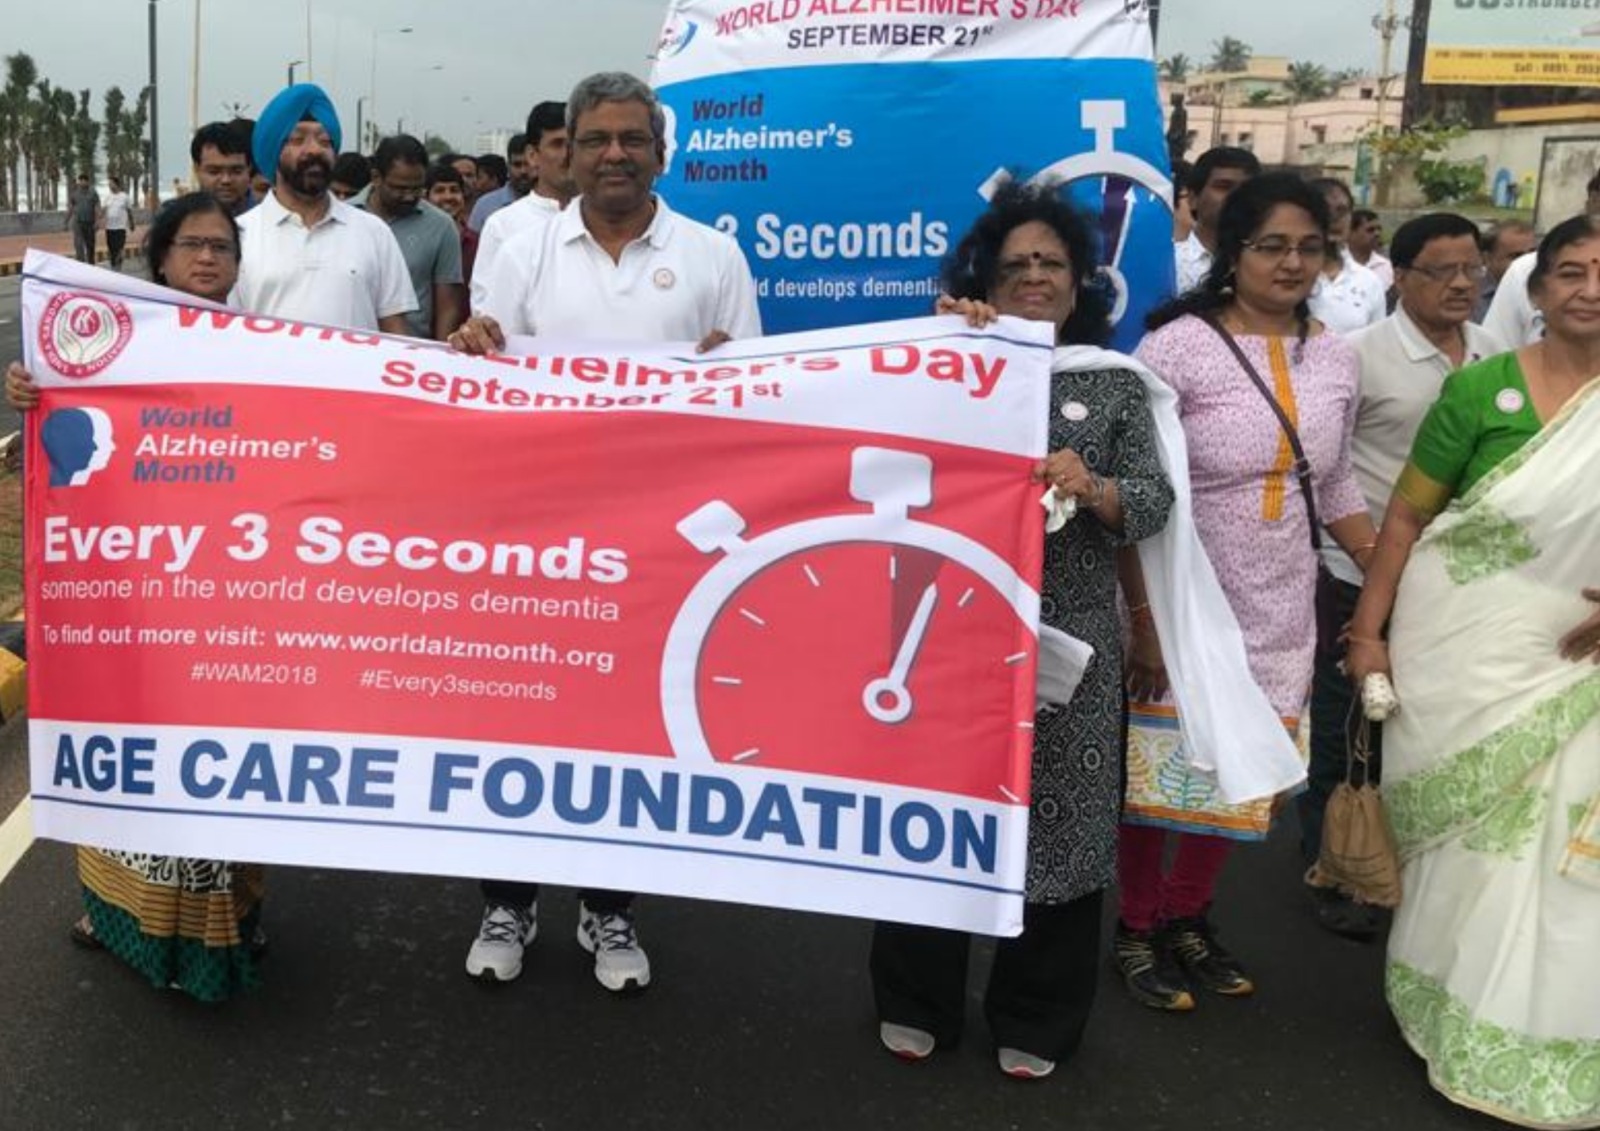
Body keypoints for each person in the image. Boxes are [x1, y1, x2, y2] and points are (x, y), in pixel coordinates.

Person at [448, 71, 761, 994]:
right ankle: (508, 897)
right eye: (597, 140)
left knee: (630, 731)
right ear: (569, 152)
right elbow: (491, 376)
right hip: (545, 538)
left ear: (662, 152)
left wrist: (724, 375)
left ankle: (611, 907)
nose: (615, 154)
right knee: (524, 720)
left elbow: (757, 404)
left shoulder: (713, 258)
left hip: (663, 547)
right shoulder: (523, 248)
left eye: (633, 138)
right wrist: (474, 347)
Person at [869, 186, 1174, 1080]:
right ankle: (914, 996)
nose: (1034, 277)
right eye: (1014, 266)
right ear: (984, 280)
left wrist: (1095, 485)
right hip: (941, 632)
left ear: (1081, 281)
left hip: (1068, 643)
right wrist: (945, 350)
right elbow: (883, 463)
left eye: (1051, 263)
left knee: (1065, 829)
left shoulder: (1115, 385)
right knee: (930, 813)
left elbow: (1151, 506)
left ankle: (1036, 1015)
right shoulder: (945, 362)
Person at [1346, 215, 1600, 1129]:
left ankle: (1548, 1024)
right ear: (1534, 291)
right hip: (1469, 644)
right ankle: (1447, 992)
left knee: (1567, 852)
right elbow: (1406, 522)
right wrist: (1368, 635)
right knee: (1473, 844)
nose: (1588, 287)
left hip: (1586, 663)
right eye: (1568, 271)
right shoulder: (1481, 390)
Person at [1116, 173, 1376, 1009]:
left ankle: (1190, 916)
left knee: (1242, 775)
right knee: (1162, 777)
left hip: (1281, 602)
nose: (1292, 262)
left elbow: (1332, 486)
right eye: (1272, 245)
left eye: (1309, 246)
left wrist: (1396, 571)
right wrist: (1147, 623)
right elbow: (1138, 485)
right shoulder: (1177, 347)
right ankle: (1136, 924)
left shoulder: (1336, 357)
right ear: (1233, 254)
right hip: (1184, 596)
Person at [7, 192, 265, 1002]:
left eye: (224, 245)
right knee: (129, 767)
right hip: (133, 599)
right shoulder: (113, 347)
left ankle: (215, 940)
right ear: (159, 258)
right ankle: (117, 916)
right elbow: (73, 443)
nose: (209, 258)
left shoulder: (274, 352)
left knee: (218, 780)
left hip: (233, 601)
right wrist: (32, 389)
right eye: (193, 243)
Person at [1299, 212, 1505, 940]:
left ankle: (1407, 864)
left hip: (1459, 579)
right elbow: (1323, 467)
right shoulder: (1356, 357)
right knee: (1349, 724)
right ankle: (1329, 866)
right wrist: (1366, 554)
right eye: (1440, 270)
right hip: (1360, 569)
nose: (1459, 283)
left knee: (1423, 723)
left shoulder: (1494, 352)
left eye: (1471, 270)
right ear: (1401, 275)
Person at [232, 83, 415, 334]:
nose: (314, 150)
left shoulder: (373, 231)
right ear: (273, 150)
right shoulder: (239, 235)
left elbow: (395, 329)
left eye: (324, 140)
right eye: (297, 140)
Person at [352, 134, 464, 340]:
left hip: (410, 356)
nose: (410, 196)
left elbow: (448, 308)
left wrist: (439, 358)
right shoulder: (345, 218)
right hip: (350, 349)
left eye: (417, 188)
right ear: (376, 177)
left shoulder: (441, 226)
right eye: (400, 188)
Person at [471, 102, 573, 312]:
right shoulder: (502, 225)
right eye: (557, 144)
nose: (568, 154)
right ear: (533, 155)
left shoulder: (607, 220)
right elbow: (485, 313)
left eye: (575, 144)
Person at [1485, 169, 1600, 347]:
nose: (1591, 294)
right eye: (1571, 275)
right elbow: (1494, 354)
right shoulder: (1525, 269)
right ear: (1593, 200)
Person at [1174, 147, 1261, 293]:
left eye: (1246, 189)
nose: (1236, 197)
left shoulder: (1275, 265)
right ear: (1193, 198)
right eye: (1224, 187)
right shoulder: (1166, 263)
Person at [1308, 178, 1386, 334]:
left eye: (1341, 211)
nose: (1334, 219)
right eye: (1324, 210)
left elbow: (1375, 342)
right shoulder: (1289, 274)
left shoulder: (1369, 281)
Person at [1474, 219, 1536, 322]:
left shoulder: (1548, 294)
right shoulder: (1471, 299)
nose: (1527, 262)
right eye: (1516, 256)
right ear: (1487, 259)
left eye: (1532, 254)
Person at [426, 161, 477, 283]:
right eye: (439, 190)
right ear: (425, 197)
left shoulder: (476, 243)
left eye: (454, 190)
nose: (448, 197)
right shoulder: (418, 241)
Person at [189, 121, 253, 217]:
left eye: (236, 171)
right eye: (214, 172)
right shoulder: (177, 222)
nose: (226, 180)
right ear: (197, 170)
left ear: (249, 169)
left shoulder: (269, 220)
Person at [468, 136, 530, 232]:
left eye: (528, 164)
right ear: (508, 166)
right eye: (517, 165)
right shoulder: (484, 205)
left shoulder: (553, 203)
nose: (523, 171)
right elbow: (472, 244)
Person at [1347, 209, 1393, 291]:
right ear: (1350, 233)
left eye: (1379, 229)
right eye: (1370, 230)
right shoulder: (1337, 264)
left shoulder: (1387, 267)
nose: (1377, 234)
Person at [67, 173, 99, 264]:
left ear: (88, 182)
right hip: (78, 223)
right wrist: (66, 221)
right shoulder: (75, 193)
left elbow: (97, 206)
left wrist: (97, 221)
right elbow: (71, 207)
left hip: (90, 222)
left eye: (84, 181)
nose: (82, 182)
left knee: (90, 245)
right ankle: (80, 264)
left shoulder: (93, 193)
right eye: (80, 181)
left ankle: (91, 264)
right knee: (78, 244)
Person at [102, 176, 132, 271]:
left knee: (119, 248)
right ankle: (113, 267)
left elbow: (129, 211)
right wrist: (98, 221)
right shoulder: (107, 197)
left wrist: (132, 223)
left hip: (120, 227)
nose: (110, 186)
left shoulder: (124, 197)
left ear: (117, 184)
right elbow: (103, 211)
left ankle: (118, 267)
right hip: (109, 227)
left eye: (111, 184)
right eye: (109, 184)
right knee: (111, 249)